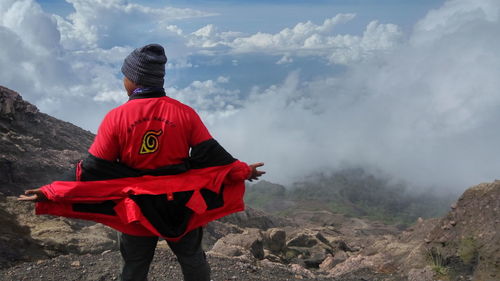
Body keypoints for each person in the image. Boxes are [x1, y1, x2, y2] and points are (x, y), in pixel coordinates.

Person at [19, 43, 265, 281]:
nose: (123, 80)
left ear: (134, 79)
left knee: (135, 265)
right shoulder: (184, 113)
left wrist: (50, 192)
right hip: (182, 205)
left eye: (125, 75)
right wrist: (244, 171)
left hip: (136, 209)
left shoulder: (116, 118)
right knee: (192, 259)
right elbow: (213, 157)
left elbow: (93, 170)